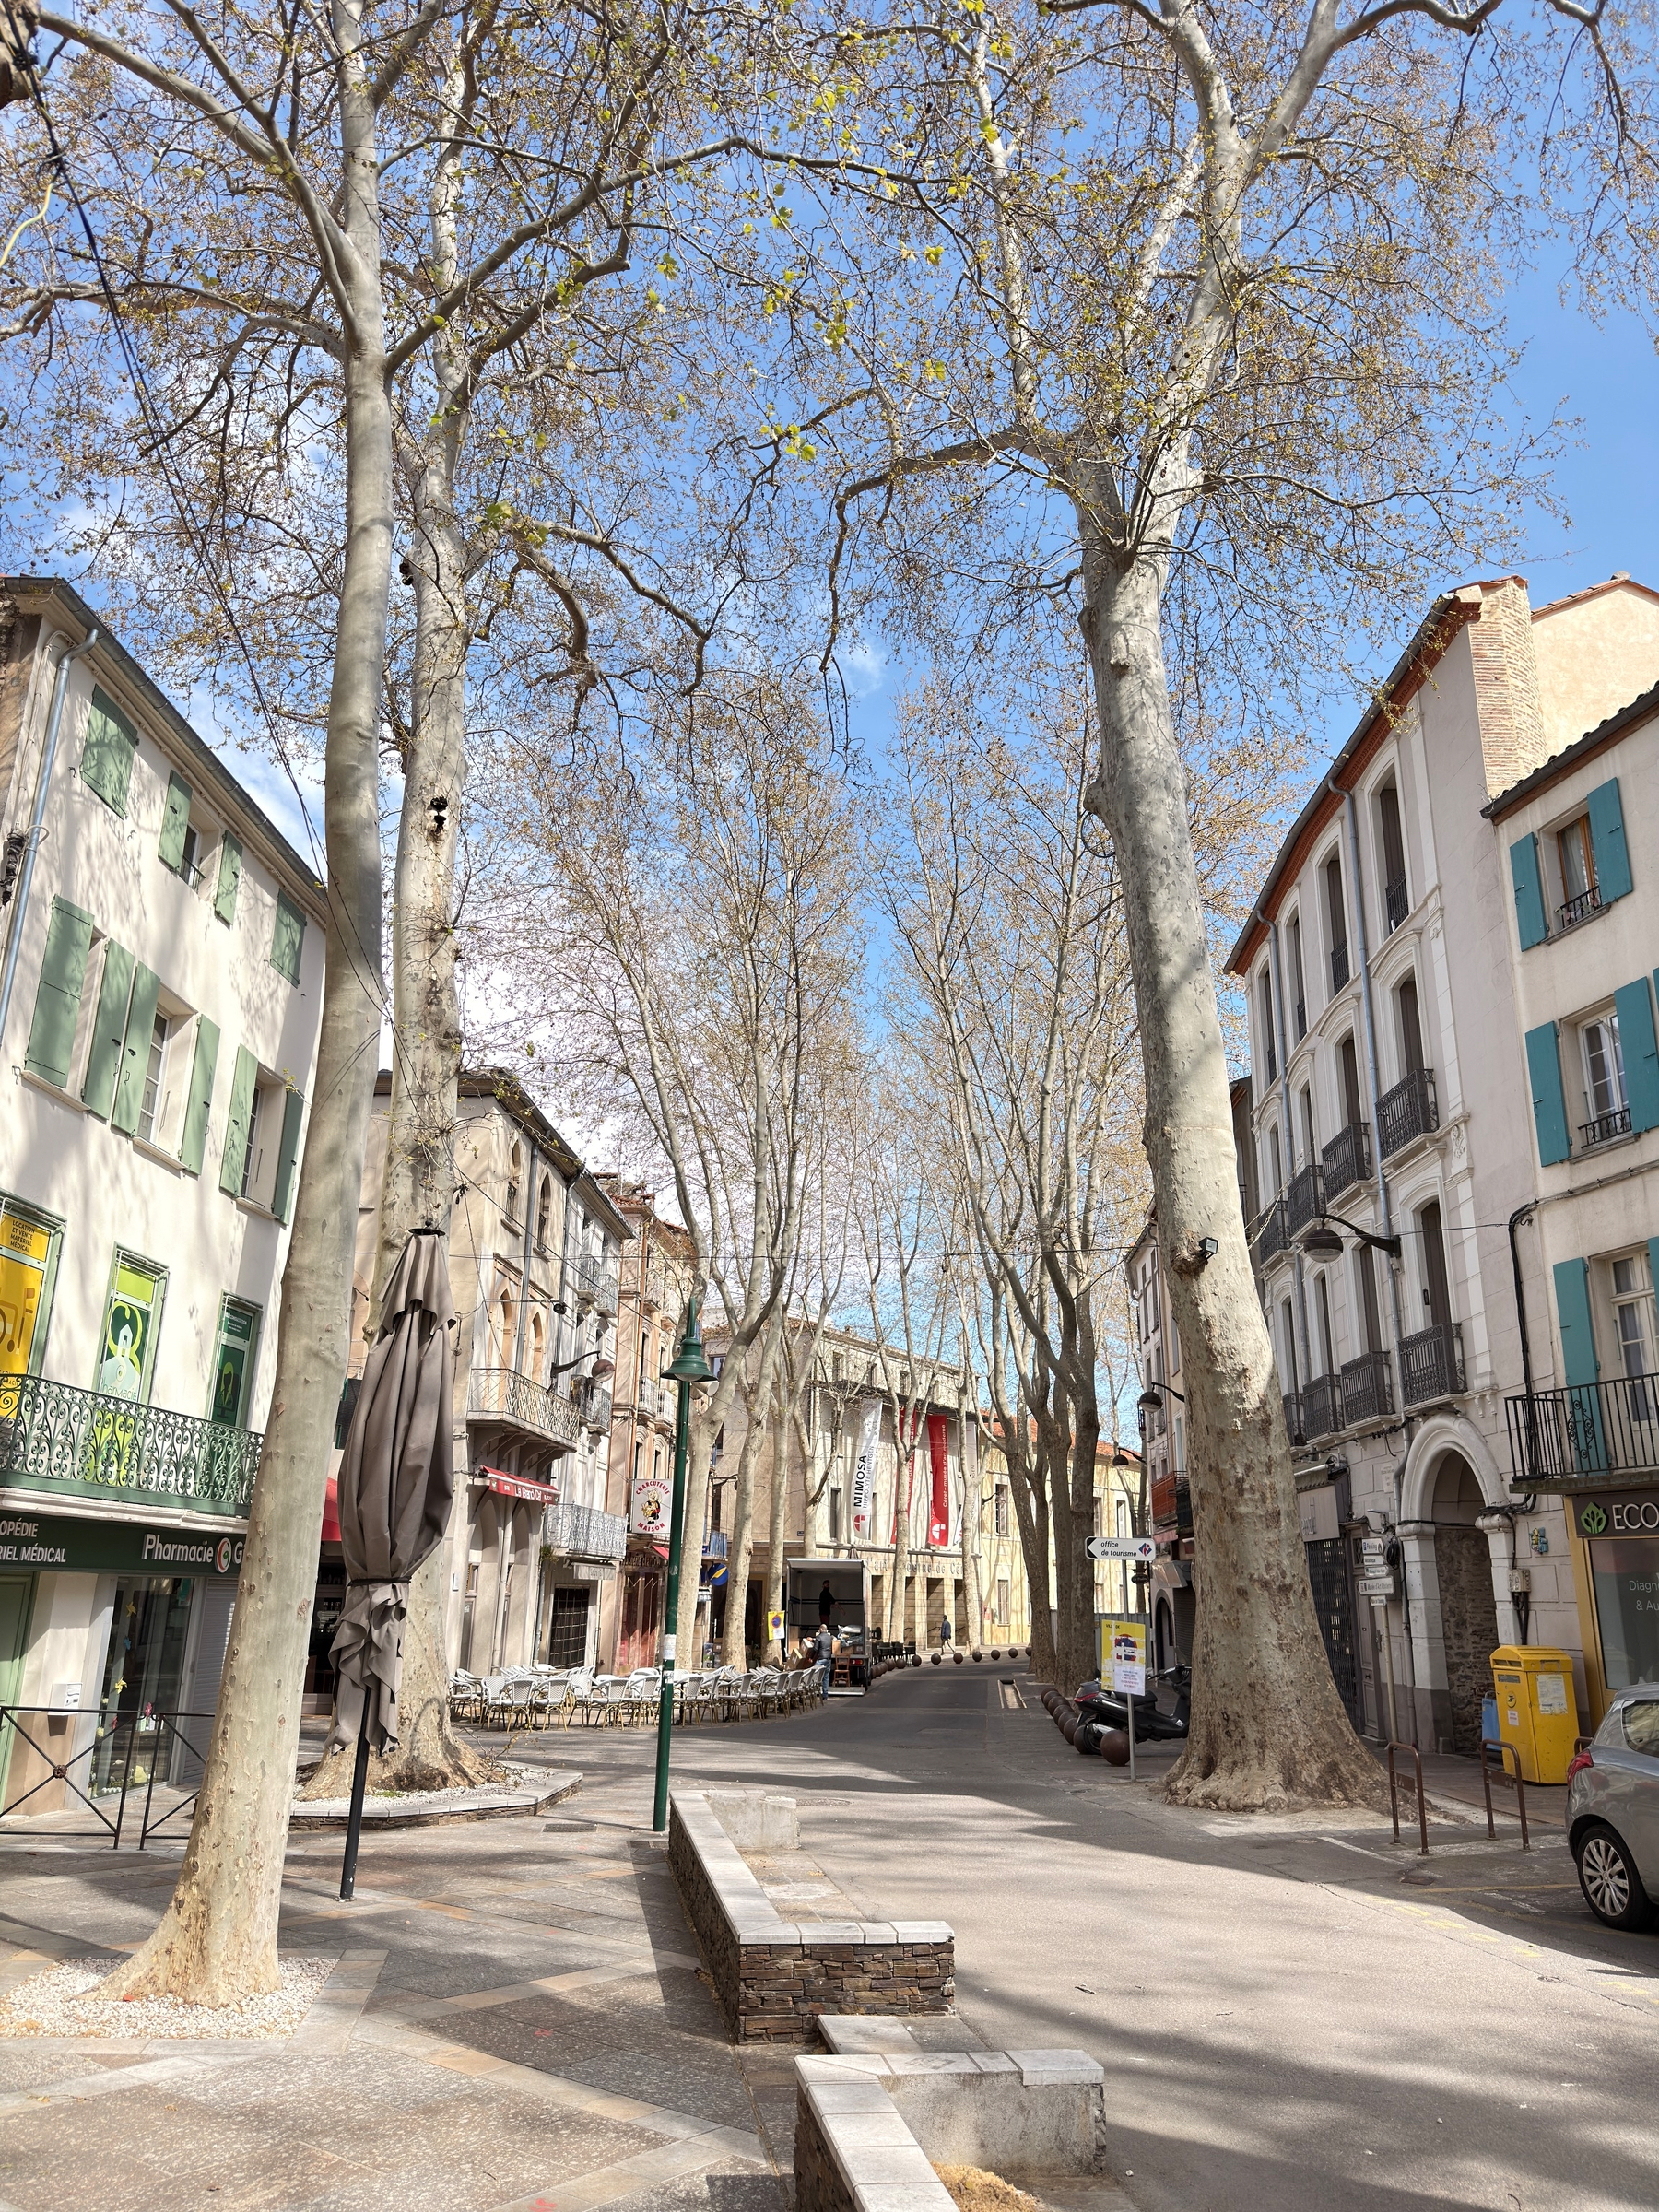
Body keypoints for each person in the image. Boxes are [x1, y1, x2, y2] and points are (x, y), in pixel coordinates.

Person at [813, 1619, 834, 1700]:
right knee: (826, 1677)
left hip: (820, 1659)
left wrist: (811, 1658)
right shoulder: (830, 1638)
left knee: (814, 1676)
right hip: (828, 1659)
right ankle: (825, 1695)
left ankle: (813, 1693)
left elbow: (815, 1649)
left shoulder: (818, 1637)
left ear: (821, 1629)